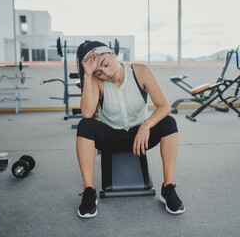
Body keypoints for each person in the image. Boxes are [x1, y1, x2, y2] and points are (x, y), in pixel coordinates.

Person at [75, 40, 185, 218]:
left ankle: (168, 187)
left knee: (169, 123)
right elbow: (87, 113)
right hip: (110, 138)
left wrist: (146, 125)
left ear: (113, 54)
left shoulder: (140, 71)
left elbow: (164, 106)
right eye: (99, 72)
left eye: (106, 64)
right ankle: (89, 190)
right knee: (85, 126)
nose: (107, 73)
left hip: (139, 138)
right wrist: (88, 76)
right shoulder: (95, 81)